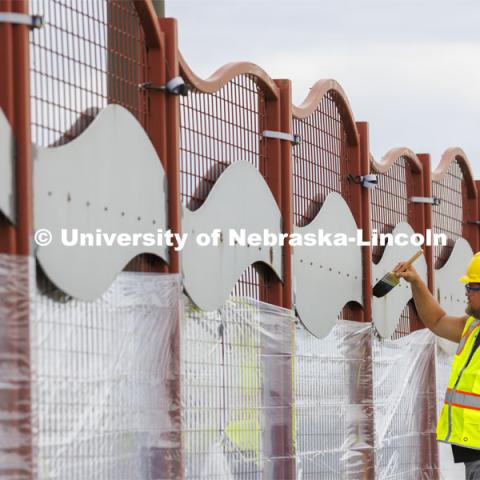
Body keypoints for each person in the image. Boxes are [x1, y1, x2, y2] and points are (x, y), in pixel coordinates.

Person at [395, 252, 480, 480]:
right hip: (473, 446)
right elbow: (437, 321)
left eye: (472, 287)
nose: (467, 293)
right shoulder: (473, 329)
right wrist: (416, 282)